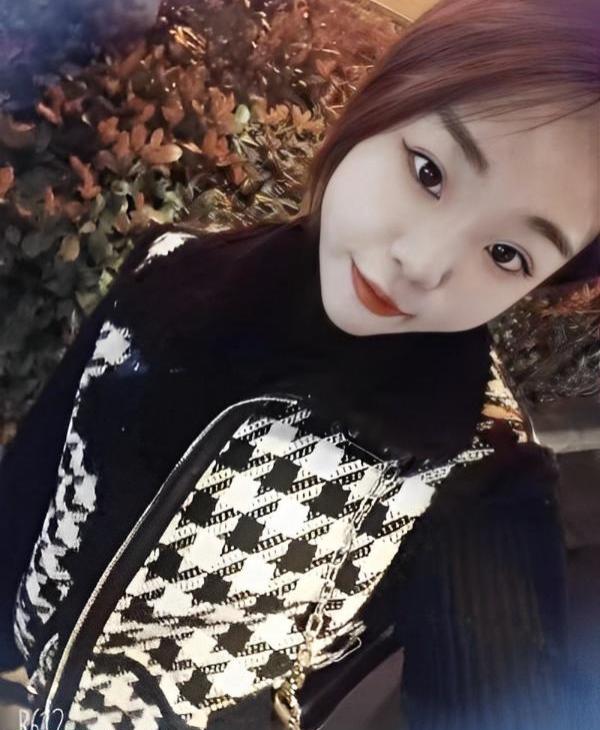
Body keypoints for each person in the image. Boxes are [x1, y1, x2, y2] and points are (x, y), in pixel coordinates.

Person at [0, 0, 598, 728]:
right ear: (376, 107)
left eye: (506, 254)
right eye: (428, 172)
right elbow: (34, 483)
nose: (422, 262)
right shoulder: (172, 266)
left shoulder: (475, 476)